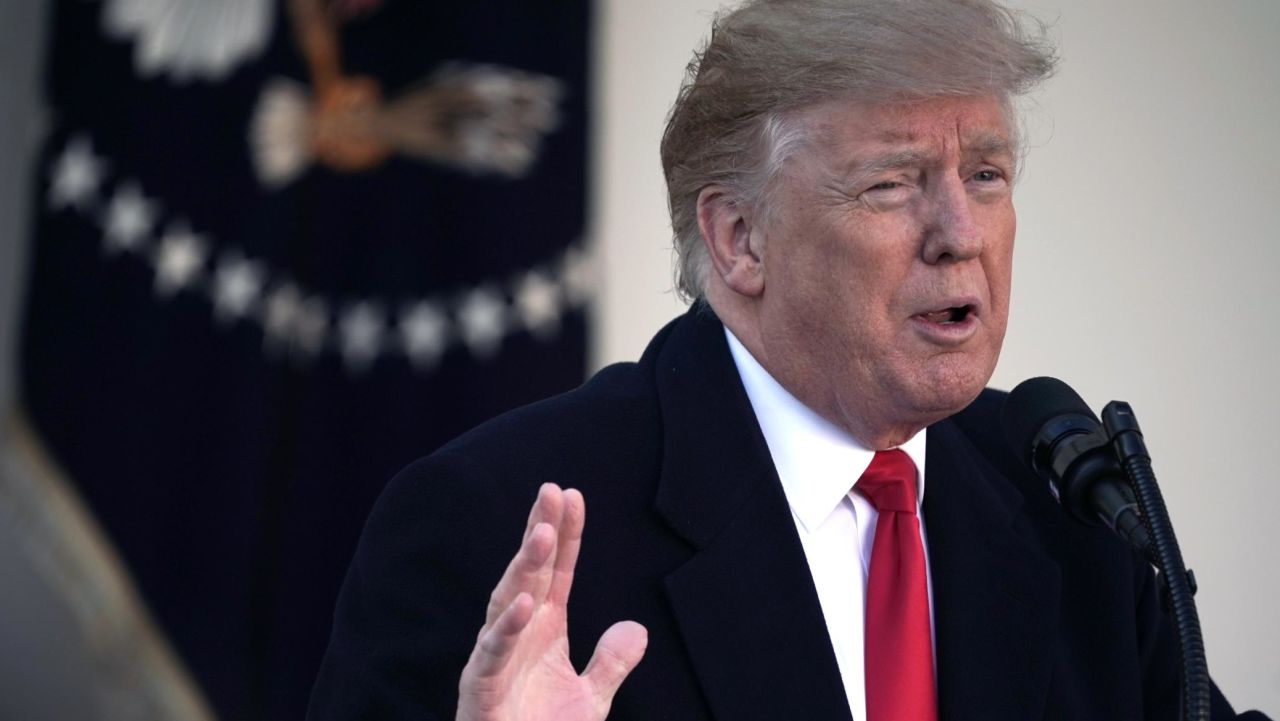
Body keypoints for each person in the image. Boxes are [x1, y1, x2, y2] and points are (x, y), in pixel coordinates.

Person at [307, 1, 1271, 719]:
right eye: (893, 183)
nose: (960, 233)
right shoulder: (497, 526)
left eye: (985, 173)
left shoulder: (1070, 507)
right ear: (739, 239)